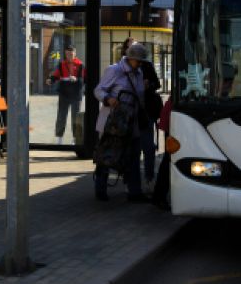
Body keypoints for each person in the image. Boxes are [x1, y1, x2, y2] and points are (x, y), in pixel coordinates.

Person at [93, 42, 148, 202]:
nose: (140, 64)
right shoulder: (114, 70)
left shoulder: (139, 73)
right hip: (113, 123)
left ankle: (134, 192)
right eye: (138, 61)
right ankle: (100, 189)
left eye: (142, 61)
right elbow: (98, 90)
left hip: (132, 123)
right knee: (107, 155)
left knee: (134, 155)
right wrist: (108, 98)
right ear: (130, 58)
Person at [121, 37, 161, 183]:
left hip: (145, 112)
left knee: (148, 147)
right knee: (130, 149)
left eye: (136, 47)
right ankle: (130, 180)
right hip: (129, 113)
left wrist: (148, 85)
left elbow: (157, 84)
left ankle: (149, 178)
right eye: (130, 48)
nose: (134, 52)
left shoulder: (146, 65)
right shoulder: (120, 67)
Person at [48, 44, 85, 144]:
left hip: (76, 95)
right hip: (64, 94)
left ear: (75, 53)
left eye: (71, 53)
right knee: (61, 116)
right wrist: (51, 80)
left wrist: (76, 79)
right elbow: (55, 76)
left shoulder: (80, 65)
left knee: (75, 117)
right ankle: (59, 138)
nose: (69, 55)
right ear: (65, 54)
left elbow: (84, 80)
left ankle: (75, 138)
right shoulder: (61, 64)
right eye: (68, 53)